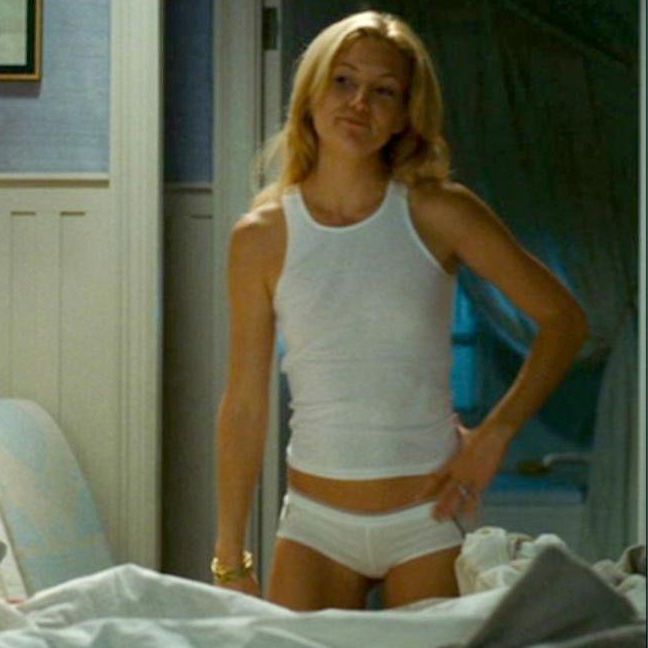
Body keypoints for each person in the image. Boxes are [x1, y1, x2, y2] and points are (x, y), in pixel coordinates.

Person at [212, 11, 588, 611]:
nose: (359, 103)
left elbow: (564, 320)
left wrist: (494, 436)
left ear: (405, 114)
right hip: (314, 525)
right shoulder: (260, 236)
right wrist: (230, 556)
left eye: (383, 90)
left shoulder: (440, 213)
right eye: (343, 81)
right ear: (311, 93)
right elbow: (243, 405)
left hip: (426, 519)